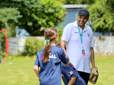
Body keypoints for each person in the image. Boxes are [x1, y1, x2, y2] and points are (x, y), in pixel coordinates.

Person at [61, 9, 98, 85]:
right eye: (80, 17)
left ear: (87, 19)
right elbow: (62, 44)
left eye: (85, 18)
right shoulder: (69, 27)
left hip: (85, 68)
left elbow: (91, 49)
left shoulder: (89, 30)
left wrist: (94, 66)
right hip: (71, 67)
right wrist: (66, 61)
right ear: (77, 17)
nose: (82, 20)